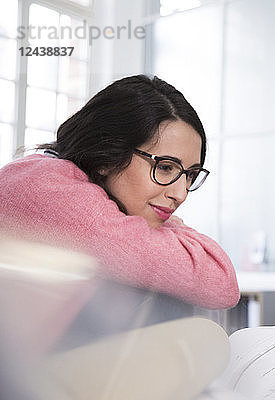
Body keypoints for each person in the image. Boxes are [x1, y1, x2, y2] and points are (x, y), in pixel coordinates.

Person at [0, 75, 239, 310]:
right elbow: (219, 281)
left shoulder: (39, 174)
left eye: (190, 175)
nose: (181, 194)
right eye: (165, 167)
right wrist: (173, 226)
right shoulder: (51, 192)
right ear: (108, 154)